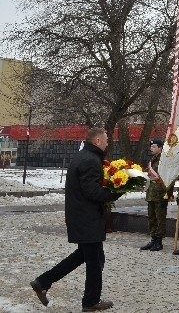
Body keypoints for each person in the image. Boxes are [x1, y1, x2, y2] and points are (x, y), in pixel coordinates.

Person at [30, 127, 121, 312]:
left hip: (83, 217)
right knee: (95, 261)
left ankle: (43, 281)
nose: (107, 143)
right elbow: (91, 191)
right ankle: (90, 302)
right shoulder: (90, 159)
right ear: (96, 141)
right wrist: (114, 193)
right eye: (105, 140)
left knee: (85, 256)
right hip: (87, 218)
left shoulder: (85, 156)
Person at [140, 138, 168, 252]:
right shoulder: (152, 159)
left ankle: (159, 242)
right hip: (151, 193)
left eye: (154, 147)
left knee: (159, 218)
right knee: (152, 217)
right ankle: (153, 239)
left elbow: (166, 177)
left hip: (160, 193)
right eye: (151, 147)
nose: (151, 149)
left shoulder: (164, 160)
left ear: (160, 148)